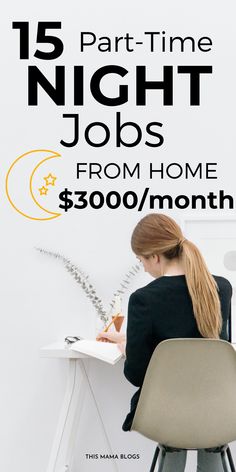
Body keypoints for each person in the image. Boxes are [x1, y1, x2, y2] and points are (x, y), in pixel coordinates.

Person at [97, 213, 232, 472]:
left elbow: (137, 375)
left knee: (174, 409)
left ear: (155, 257)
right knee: (209, 422)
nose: (144, 268)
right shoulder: (221, 288)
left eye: (141, 261)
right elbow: (211, 346)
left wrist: (128, 349)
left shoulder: (144, 299)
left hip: (166, 413)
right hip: (220, 410)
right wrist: (131, 338)